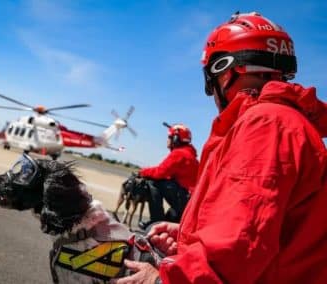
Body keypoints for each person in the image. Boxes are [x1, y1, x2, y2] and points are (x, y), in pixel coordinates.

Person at [113, 12, 327, 284]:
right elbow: (263, 227)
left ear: (223, 72)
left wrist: (161, 280)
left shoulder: (266, 125)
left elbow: (240, 244)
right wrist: (188, 234)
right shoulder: (286, 123)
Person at [138, 123, 199, 230]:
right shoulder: (190, 155)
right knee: (169, 223)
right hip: (190, 201)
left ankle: (156, 221)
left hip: (184, 198)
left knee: (153, 182)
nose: (167, 140)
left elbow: (159, 172)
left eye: (169, 137)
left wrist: (143, 171)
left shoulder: (179, 154)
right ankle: (164, 222)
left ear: (175, 139)